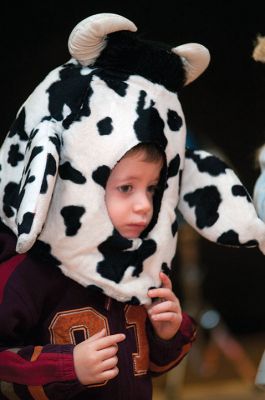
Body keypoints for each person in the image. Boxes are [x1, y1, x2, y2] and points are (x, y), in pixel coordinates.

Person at [1, 12, 265, 400]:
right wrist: (65, 366)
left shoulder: (143, 267)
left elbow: (146, 365)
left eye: (154, 189)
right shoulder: (26, 271)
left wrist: (167, 333)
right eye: (125, 187)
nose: (145, 206)